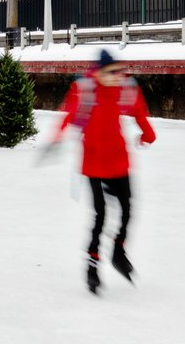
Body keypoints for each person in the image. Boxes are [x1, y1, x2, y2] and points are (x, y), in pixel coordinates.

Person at [53, 49, 156, 294]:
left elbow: (139, 112)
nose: (114, 76)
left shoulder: (125, 89)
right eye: (109, 72)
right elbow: (70, 116)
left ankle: (118, 252)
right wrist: (57, 138)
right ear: (97, 71)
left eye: (117, 71)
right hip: (94, 164)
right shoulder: (85, 90)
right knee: (100, 216)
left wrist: (148, 134)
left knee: (128, 211)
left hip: (119, 161)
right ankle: (92, 267)